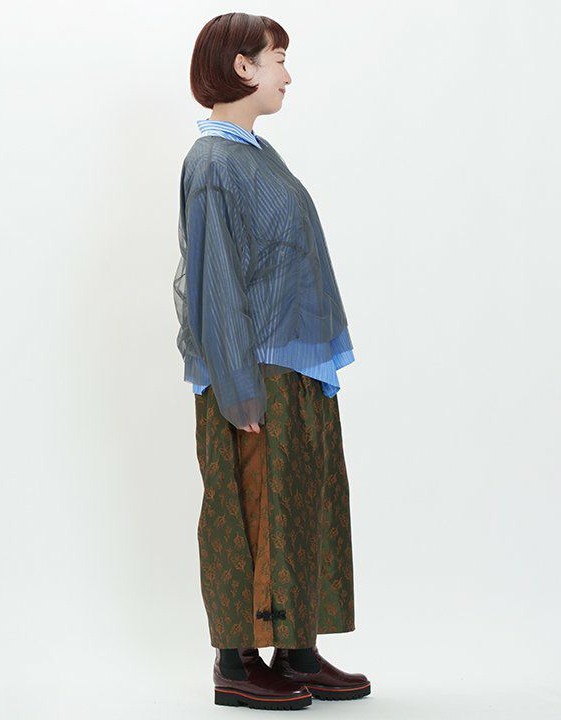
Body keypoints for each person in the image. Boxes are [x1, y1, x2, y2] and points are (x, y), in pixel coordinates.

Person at [173, 12, 371, 710]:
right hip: (254, 373)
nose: (287, 73)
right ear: (242, 67)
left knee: (298, 509)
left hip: (293, 367)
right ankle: (236, 660)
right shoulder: (214, 163)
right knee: (249, 511)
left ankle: (295, 650)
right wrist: (237, 387)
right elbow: (215, 280)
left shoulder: (256, 153)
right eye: (278, 57)